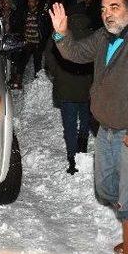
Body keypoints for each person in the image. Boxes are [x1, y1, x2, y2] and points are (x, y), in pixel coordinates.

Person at [49, 0, 128, 254]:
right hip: (107, 128)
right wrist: (60, 33)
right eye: (103, 9)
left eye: (114, 7)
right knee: (106, 189)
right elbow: (75, 53)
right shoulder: (104, 36)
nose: (107, 14)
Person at [44, 13, 93, 175]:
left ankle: (72, 158)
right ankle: (82, 148)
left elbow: (49, 56)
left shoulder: (60, 33)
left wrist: (56, 72)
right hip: (87, 85)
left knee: (70, 125)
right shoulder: (92, 35)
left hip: (66, 84)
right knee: (85, 119)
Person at [14, 0, 49, 88]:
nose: (30, 3)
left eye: (32, 1)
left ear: (36, 3)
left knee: (37, 64)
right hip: (27, 42)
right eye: (29, 1)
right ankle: (18, 82)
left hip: (37, 43)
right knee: (21, 63)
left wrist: (43, 41)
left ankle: (38, 83)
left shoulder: (42, 14)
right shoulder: (25, 13)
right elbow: (20, 26)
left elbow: (46, 29)